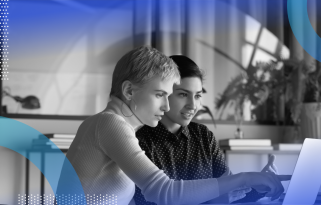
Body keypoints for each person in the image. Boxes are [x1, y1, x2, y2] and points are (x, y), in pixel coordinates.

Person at [58, 46, 290, 205]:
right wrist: (245, 178)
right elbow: (163, 191)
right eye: (160, 94)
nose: (166, 105)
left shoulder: (117, 126)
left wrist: (253, 186)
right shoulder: (109, 123)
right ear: (129, 91)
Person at [133, 55, 279, 205]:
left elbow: (232, 194)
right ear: (163, 94)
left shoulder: (203, 136)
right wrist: (213, 202)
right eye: (183, 94)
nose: (192, 105)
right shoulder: (139, 142)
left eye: (197, 96)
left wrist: (261, 186)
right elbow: (147, 201)